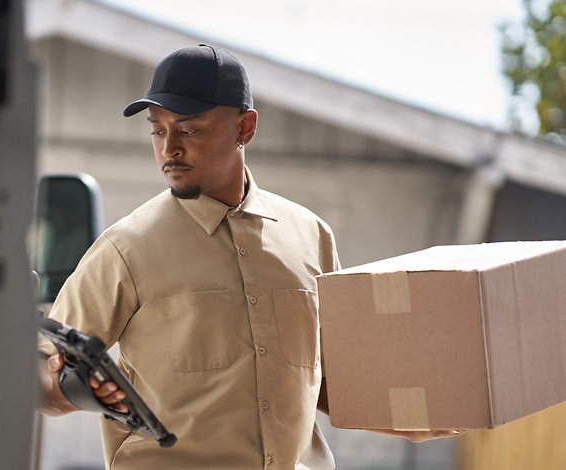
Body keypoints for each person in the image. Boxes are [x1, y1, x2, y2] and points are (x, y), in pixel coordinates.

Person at [38, 44, 458, 470]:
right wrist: (74, 390)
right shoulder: (125, 248)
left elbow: (320, 378)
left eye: (189, 129)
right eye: (158, 130)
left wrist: (405, 418)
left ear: (245, 127)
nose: (169, 149)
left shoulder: (311, 236)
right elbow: (38, 368)